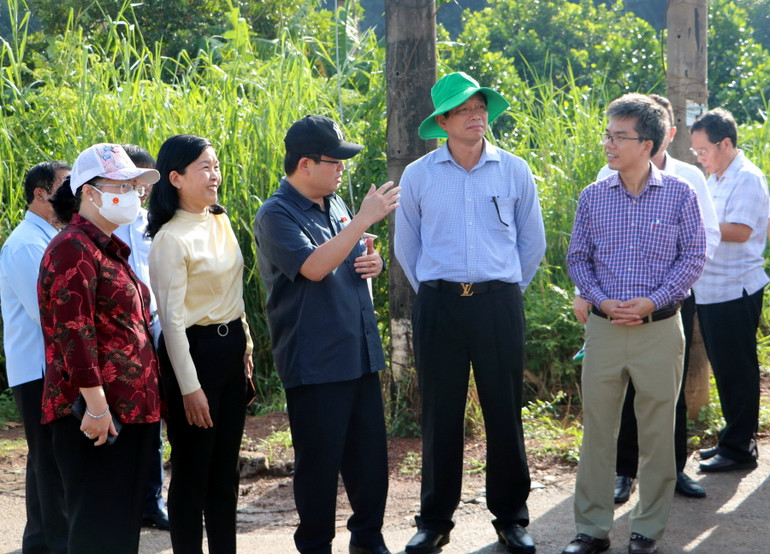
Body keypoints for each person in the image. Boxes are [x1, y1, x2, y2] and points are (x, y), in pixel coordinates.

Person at [395, 72, 546, 554]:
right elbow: (407, 245)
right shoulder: (420, 174)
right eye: (463, 109)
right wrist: (440, 291)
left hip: (498, 303)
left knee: (504, 409)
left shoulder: (514, 169)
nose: (476, 115)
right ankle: (435, 520)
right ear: (442, 121)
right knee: (441, 412)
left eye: (481, 107)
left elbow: (532, 243)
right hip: (438, 304)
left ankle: (512, 518)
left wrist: (500, 289)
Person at [563, 94, 706, 554]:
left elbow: (692, 258)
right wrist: (603, 300)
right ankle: (592, 529)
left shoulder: (681, 193)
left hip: (660, 329)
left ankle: (646, 530)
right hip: (604, 330)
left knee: (658, 432)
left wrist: (651, 301)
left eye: (619, 137)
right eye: (607, 135)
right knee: (598, 432)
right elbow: (577, 258)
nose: (608, 144)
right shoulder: (593, 195)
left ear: (648, 143)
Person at [254, 115, 399, 554]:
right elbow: (315, 268)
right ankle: (315, 545)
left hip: (357, 350)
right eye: (333, 161)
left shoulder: (333, 205)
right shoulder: (275, 213)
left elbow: (346, 261)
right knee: (319, 465)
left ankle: (368, 539)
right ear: (304, 164)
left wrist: (370, 265)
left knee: (369, 458)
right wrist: (363, 220)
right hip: (314, 358)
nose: (341, 168)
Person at [37, 143, 162, 553]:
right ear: (88, 192)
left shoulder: (106, 248)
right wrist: (95, 406)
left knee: (120, 530)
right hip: (97, 419)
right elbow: (74, 333)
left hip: (129, 412)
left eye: (137, 187)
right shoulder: (73, 246)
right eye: (123, 185)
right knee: (97, 530)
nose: (134, 195)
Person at [147, 134, 253, 554]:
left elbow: (235, 292)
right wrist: (190, 387)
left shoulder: (220, 219)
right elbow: (171, 322)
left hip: (229, 352)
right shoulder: (170, 239)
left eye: (216, 165)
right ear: (175, 178)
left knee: (225, 473)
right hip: (193, 355)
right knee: (193, 472)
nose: (215, 176)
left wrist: (244, 348)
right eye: (204, 168)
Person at [689, 108, 769, 473]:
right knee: (725, 368)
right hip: (710, 289)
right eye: (696, 152)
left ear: (725, 144)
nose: (700, 158)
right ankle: (732, 437)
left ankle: (739, 446)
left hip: (734, 290)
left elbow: (740, 230)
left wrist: (694, 224)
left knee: (738, 369)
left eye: (703, 150)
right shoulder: (717, 178)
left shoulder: (747, 178)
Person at [0, 161, 70, 554]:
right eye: (64, 187)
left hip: (45, 367)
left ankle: (40, 542)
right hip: (38, 369)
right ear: (40, 195)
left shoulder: (47, 238)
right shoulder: (29, 244)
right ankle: (55, 544)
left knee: (45, 459)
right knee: (51, 459)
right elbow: (48, 313)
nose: (72, 195)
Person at [112, 143, 170, 531]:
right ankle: (121, 502)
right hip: (120, 339)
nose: (142, 190)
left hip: (155, 331)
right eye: (135, 181)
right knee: (120, 422)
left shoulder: (155, 222)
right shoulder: (108, 224)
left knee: (154, 423)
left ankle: (152, 500)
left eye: (147, 182)